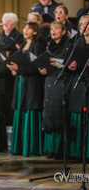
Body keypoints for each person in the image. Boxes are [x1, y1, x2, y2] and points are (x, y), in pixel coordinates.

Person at [7, 22, 45, 157]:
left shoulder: (37, 46)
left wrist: (19, 69)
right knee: (20, 110)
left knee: (30, 112)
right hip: (21, 82)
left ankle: (31, 147)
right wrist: (14, 70)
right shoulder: (23, 45)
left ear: (35, 32)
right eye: (24, 27)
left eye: (29, 28)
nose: (25, 30)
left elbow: (37, 67)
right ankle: (20, 146)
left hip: (32, 83)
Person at [38, 22, 70, 159]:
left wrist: (60, 65)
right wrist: (42, 69)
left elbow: (70, 65)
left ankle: (62, 150)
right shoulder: (49, 45)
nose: (53, 31)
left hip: (61, 82)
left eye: (56, 28)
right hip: (50, 81)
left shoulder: (69, 46)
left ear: (63, 31)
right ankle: (51, 149)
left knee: (59, 115)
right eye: (51, 29)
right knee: (49, 114)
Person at [66, 14, 89, 158]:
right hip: (79, 82)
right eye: (81, 24)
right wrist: (72, 65)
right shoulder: (78, 42)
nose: (84, 26)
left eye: (87, 23)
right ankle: (78, 151)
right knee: (78, 113)